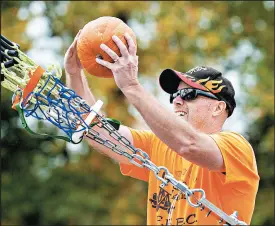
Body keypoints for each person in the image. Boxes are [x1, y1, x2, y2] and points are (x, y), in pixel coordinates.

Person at [64, 30, 259, 225]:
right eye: (174, 96)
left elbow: (189, 144)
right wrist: (74, 74)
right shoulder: (159, 145)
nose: (177, 101)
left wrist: (131, 86)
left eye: (189, 94)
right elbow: (94, 130)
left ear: (218, 107)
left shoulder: (236, 148)